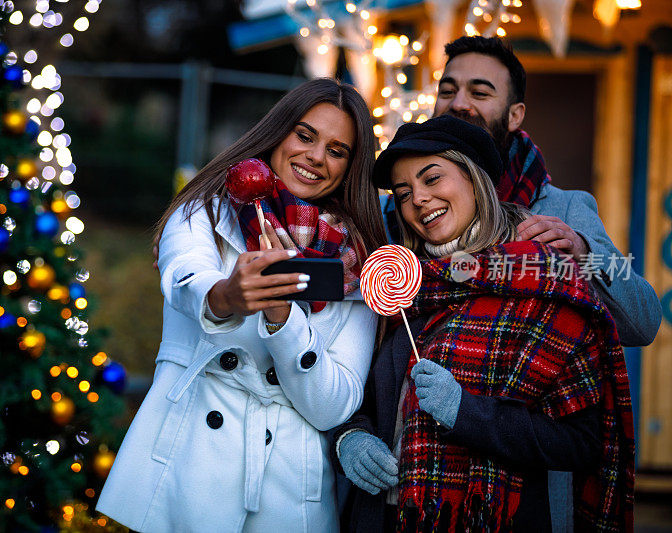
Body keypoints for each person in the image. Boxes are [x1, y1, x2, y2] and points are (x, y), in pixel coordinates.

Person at [96, 78, 388, 532]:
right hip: (190, 465)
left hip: (290, 491)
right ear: (278, 133)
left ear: (350, 167)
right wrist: (227, 295)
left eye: (336, 150)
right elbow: (184, 277)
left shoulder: (360, 264)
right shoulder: (204, 212)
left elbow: (334, 406)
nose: (315, 157)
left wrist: (283, 317)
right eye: (305, 136)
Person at [334, 115, 634, 531]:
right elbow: (353, 391)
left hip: (491, 518)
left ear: (474, 180)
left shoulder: (542, 279)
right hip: (384, 517)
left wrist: (466, 412)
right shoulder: (401, 284)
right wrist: (352, 436)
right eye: (403, 193)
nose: (418, 198)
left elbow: (581, 444)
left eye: (432, 178)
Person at [381, 36, 661, 347]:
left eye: (479, 92)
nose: (458, 104)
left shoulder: (562, 208)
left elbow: (643, 322)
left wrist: (583, 252)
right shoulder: (395, 210)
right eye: (447, 91)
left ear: (515, 115)